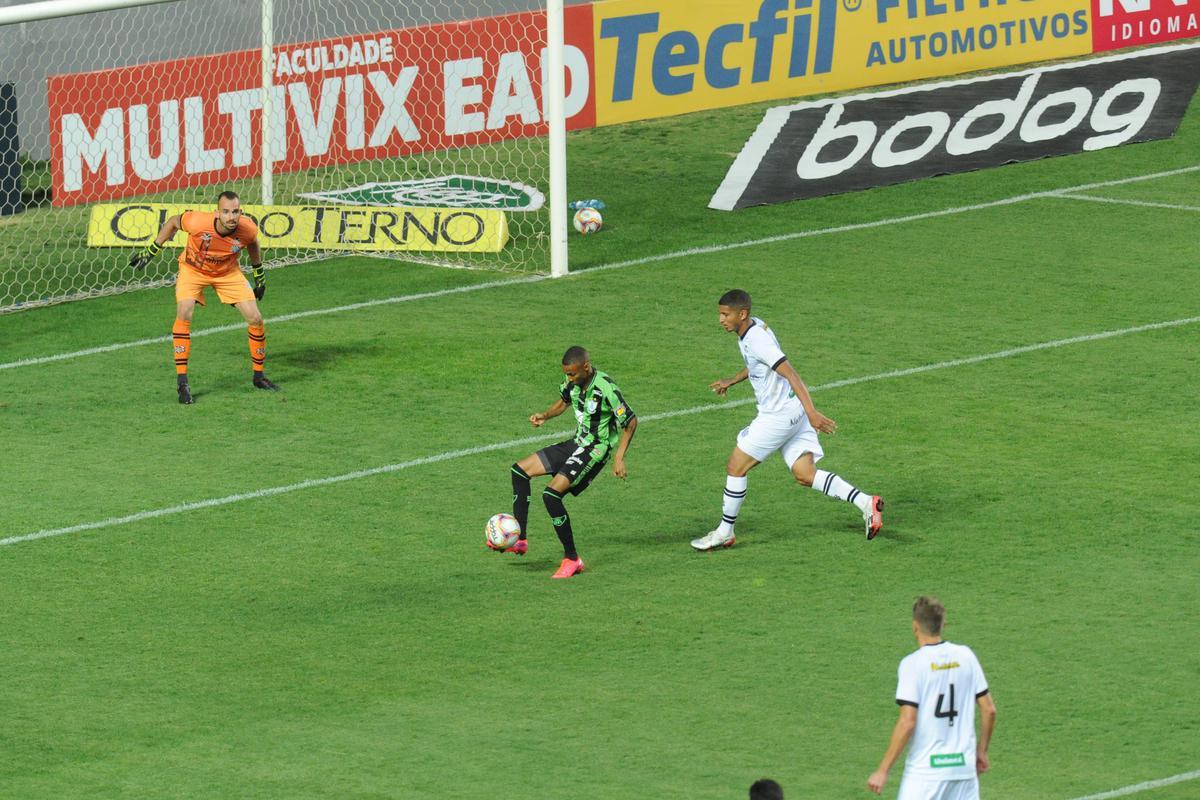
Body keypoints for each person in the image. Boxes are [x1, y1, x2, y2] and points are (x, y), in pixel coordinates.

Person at [690, 289, 882, 551]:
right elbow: (760, 364)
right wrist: (732, 380)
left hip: (779, 416)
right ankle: (866, 503)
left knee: (736, 467)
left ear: (742, 314)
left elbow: (791, 373)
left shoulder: (757, 338)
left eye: (725, 314)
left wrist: (813, 412)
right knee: (805, 474)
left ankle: (725, 531)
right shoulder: (753, 328)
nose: (721, 320)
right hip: (792, 411)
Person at [128, 190, 278, 404]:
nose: (231, 217)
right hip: (193, 270)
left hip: (227, 273)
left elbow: (252, 242)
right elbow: (172, 222)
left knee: (255, 318)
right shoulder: (198, 221)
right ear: (217, 213)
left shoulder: (247, 229)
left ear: (240, 212)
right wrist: (152, 251)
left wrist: (259, 274)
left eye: (235, 212)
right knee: (184, 311)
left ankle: (259, 376)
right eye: (226, 212)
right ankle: (182, 383)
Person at [500, 346, 637, 578]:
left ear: (586, 366)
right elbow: (563, 402)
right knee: (519, 471)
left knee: (551, 496)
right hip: (577, 442)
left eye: (572, 374)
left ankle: (572, 559)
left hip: (594, 450)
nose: (569, 378)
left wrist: (619, 457)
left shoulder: (606, 388)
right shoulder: (573, 382)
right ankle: (519, 538)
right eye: (566, 374)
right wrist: (545, 414)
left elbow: (631, 422)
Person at [867, 597, 997, 799]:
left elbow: (908, 722)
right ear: (942, 624)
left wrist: (883, 770)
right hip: (963, 771)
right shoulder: (966, 656)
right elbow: (989, 710)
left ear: (914, 626)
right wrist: (981, 751)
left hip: (926, 774)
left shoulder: (913, 664)